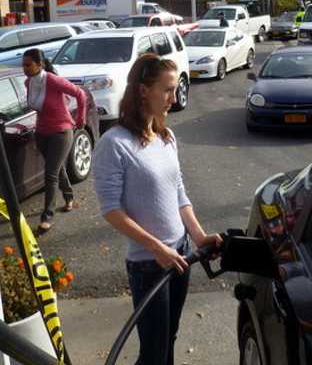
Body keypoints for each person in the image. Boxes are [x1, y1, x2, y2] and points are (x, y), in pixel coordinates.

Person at [93, 54, 223, 365]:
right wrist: (155, 248)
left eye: (176, 89)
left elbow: (179, 193)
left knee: (169, 340)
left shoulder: (166, 137)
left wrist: (200, 236)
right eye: (166, 90)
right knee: (152, 353)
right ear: (142, 90)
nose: (174, 98)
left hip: (181, 254)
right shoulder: (115, 143)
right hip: (149, 266)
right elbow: (111, 210)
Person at [22, 48, 87, 233]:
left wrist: (80, 119)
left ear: (39, 64)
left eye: (28, 65)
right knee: (57, 169)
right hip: (42, 132)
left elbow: (80, 94)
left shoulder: (52, 80)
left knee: (50, 173)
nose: (24, 69)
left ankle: (47, 216)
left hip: (61, 131)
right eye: (23, 65)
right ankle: (69, 196)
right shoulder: (29, 83)